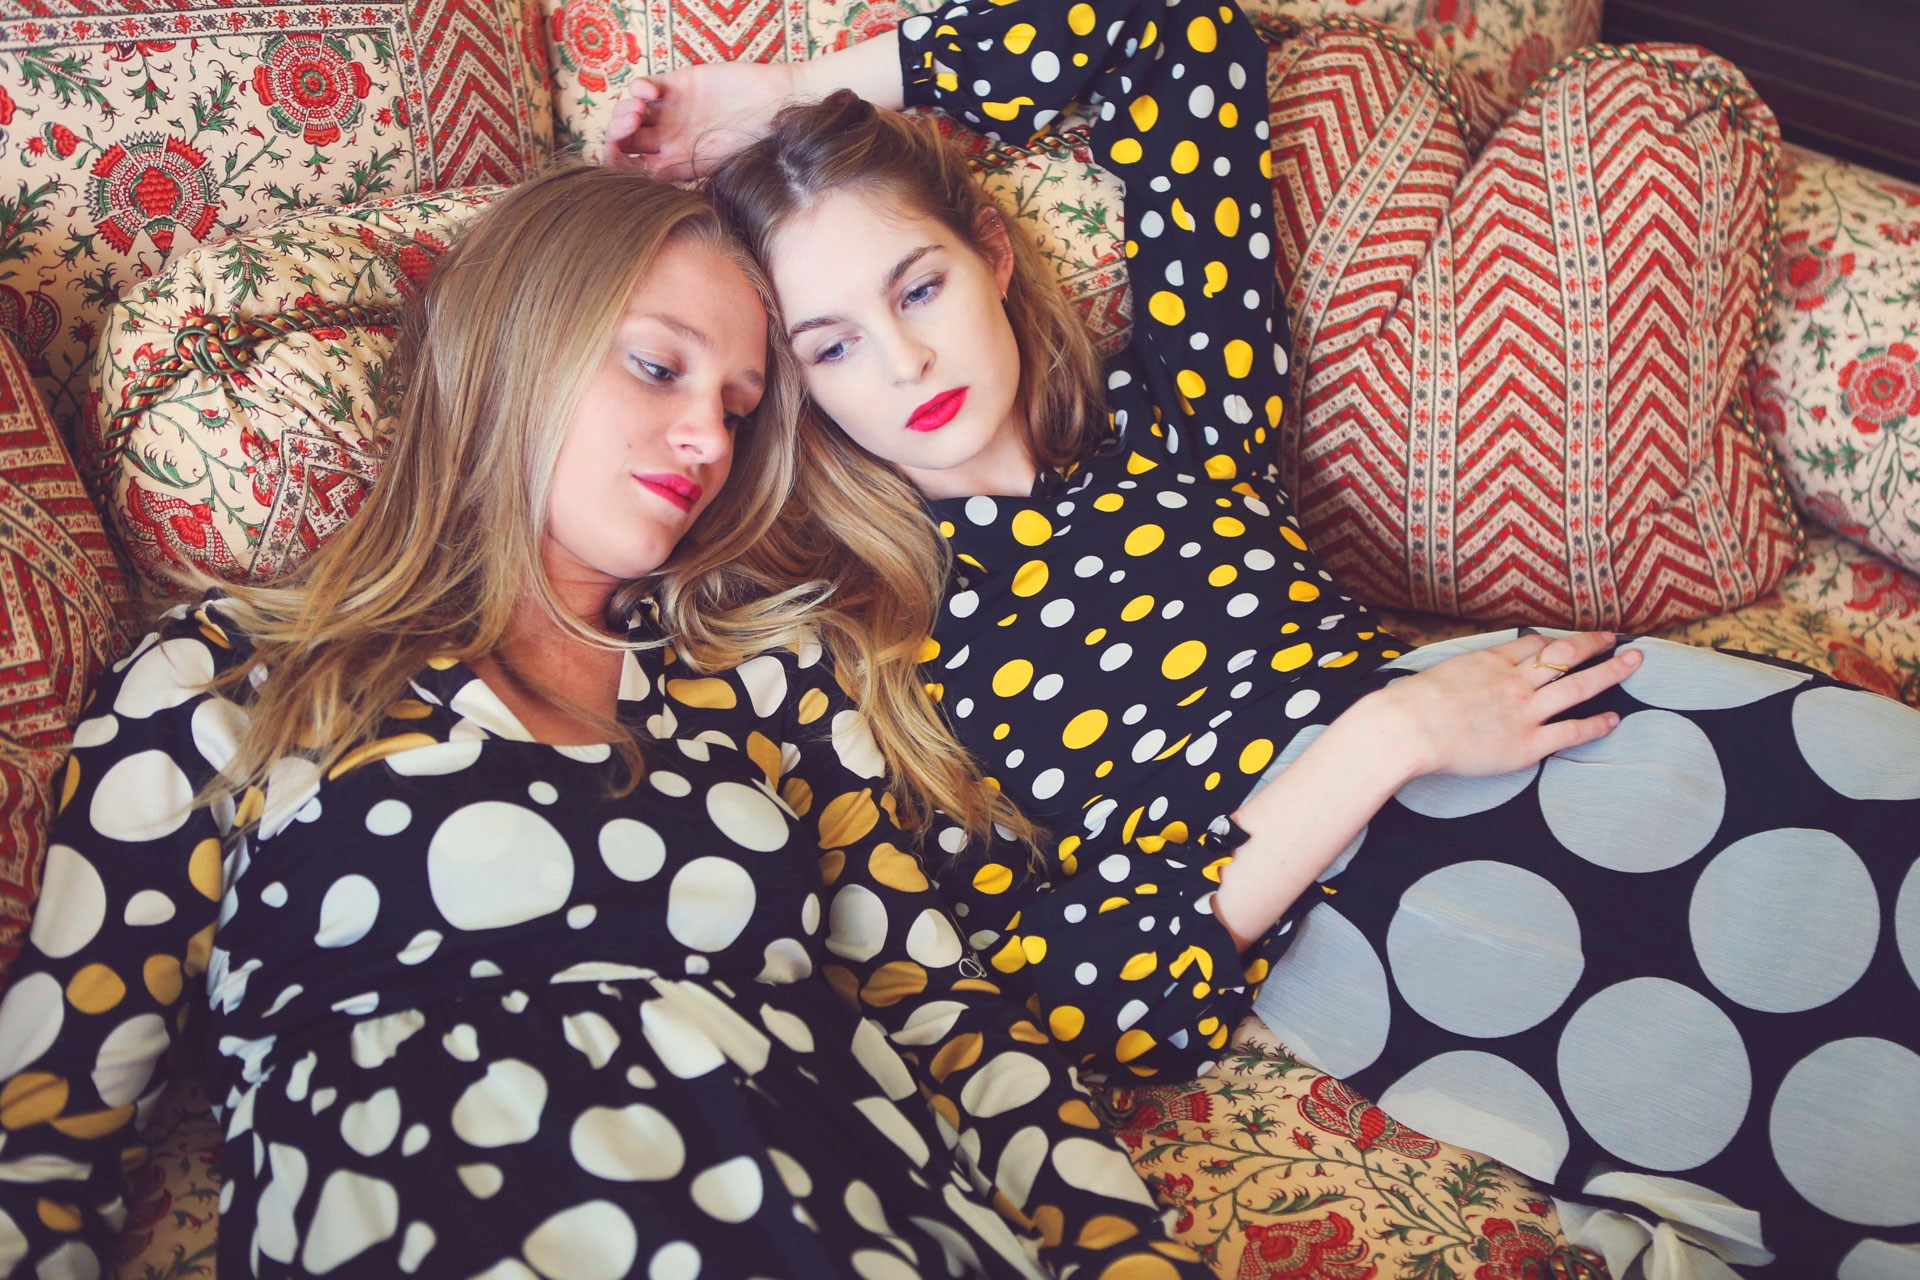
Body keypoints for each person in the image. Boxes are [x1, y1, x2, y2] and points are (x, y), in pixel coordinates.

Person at [606, 2, 1920, 1275]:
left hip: (1597, 739)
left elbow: (1175, 32)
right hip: (1424, 938)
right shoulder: (879, 655)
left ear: (992, 255)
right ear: (798, 393)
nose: (902, 362)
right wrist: (1384, 739)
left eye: (919, 285)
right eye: (833, 346)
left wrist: (798, 91)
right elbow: (1067, 1003)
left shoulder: (1185, 427)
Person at [0, 164, 1216, 1280]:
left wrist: (1126, 1251)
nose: (709, 439)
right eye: (658, 366)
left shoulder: (763, 680)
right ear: (516, 341)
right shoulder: (225, 678)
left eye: (739, 404)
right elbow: (45, 1132)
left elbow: (941, 1009)